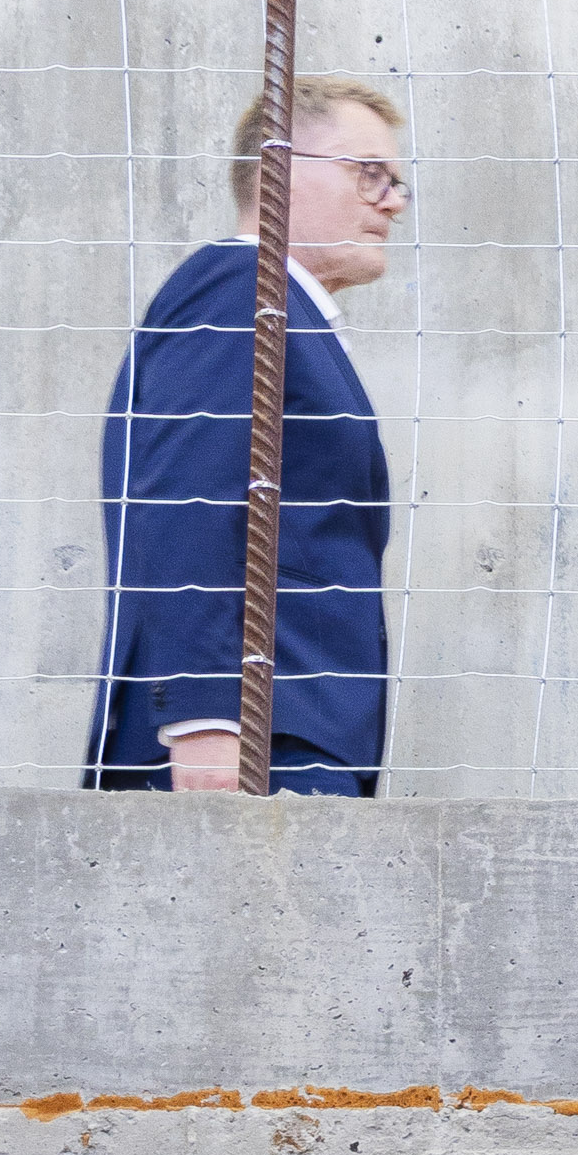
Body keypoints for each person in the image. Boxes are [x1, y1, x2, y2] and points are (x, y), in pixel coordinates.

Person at [87, 76, 404, 797]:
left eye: (396, 181)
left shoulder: (280, 307)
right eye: (369, 174)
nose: (391, 200)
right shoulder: (242, 292)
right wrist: (205, 722)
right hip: (251, 746)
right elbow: (183, 503)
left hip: (288, 737)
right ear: (279, 167)